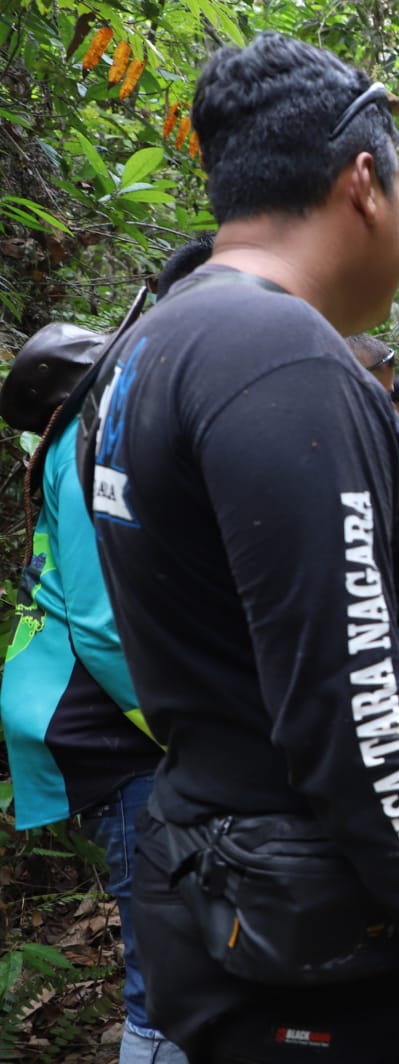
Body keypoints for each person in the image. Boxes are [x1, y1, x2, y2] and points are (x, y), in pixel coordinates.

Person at [82, 33, 399, 1063]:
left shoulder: (155, 341)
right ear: (364, 181)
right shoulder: (282, 358)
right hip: (312, 924)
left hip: (233, 877)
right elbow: (349, 693)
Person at [0, 315, 189, 1064]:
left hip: (96, 714)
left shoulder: (89, 444)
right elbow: (102, 624)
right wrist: (180, 729)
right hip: (102, 722)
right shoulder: (88, 452)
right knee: (166, 964)